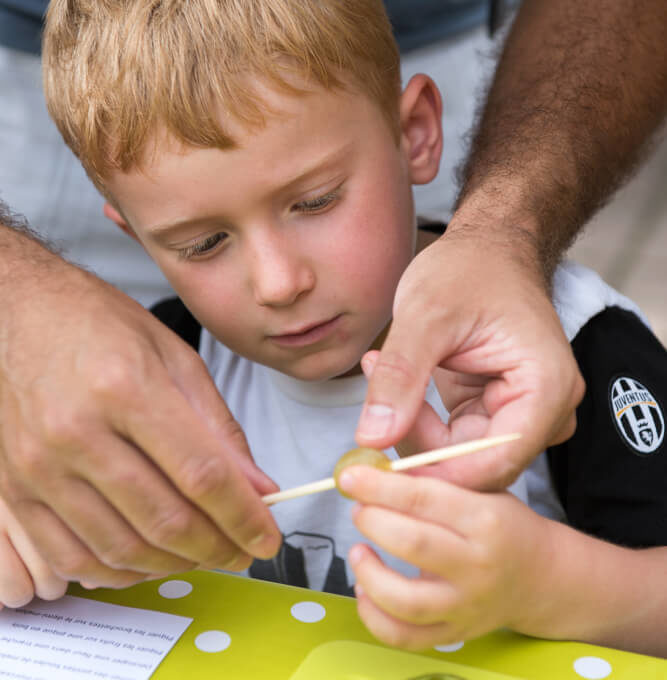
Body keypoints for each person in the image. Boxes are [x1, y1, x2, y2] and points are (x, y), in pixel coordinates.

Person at [4, 0, 666, 657]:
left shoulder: (575, 345)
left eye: (314, 201)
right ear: (138, 238)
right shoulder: (166, 366)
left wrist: (549, 584)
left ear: (415, 134)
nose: (277, 283)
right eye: (204, 243)